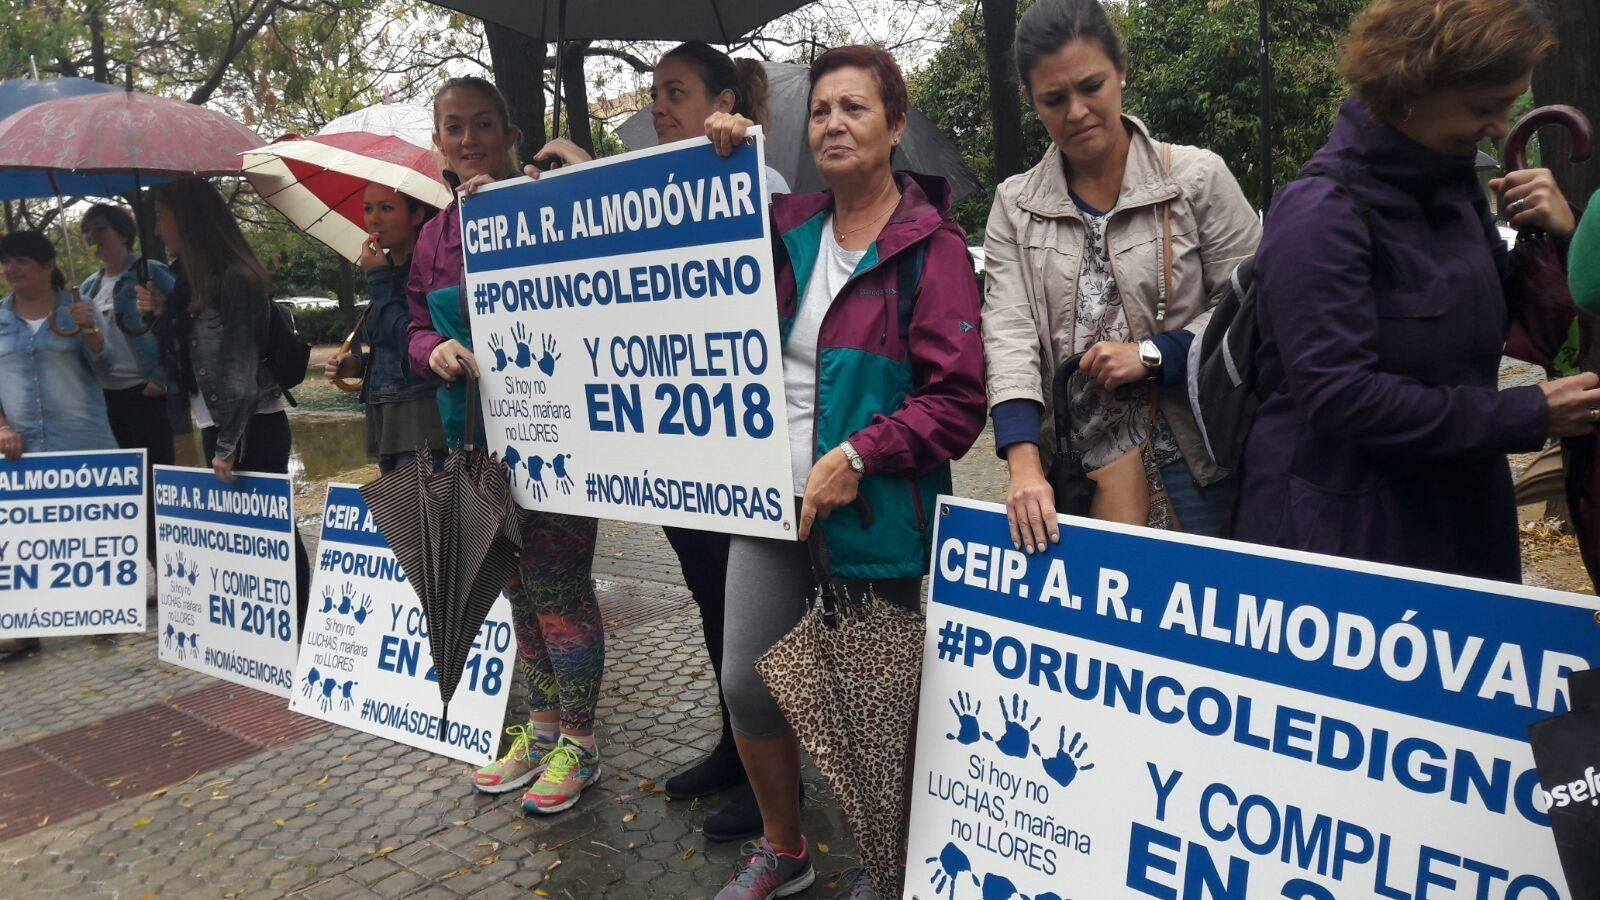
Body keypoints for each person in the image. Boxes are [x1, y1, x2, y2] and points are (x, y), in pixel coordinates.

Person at [702, 45, 987, 900]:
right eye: (821, 110)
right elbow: (678, 255)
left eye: (855, 108)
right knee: (745, 681)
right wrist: (717, 155)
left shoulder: (932, 250)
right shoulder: (783, 226)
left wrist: (860, 456)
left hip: (875, 515)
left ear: (895, 126)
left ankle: (885, 864)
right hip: (771, 505)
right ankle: (785, 849)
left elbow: (958, 400)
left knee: (877, 710)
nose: (833, 123)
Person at [1234, 0, 1598, 581]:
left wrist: (1554, 237)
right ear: (1411, 86)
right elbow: (1339, 397)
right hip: (1348, 537)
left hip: (1458, 521)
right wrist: (1525, 412)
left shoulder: (1451, 187)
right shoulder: (1320, 213)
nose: (1503, 127)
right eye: (1486, 107)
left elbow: (1506, 317)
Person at [529, 39, 788, 841]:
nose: (658, 108)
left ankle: (779, 775)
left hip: (743, 453)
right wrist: (576, 184)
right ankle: (733, 747)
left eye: (675, 92)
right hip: (677, 457)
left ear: (722, 104)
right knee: (711, 600)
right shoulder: (643, 192)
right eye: (653, 94)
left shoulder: (759, 178)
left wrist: (744, 156)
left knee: (755, 617)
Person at [982, 0, 1261, 552]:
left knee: (1191, 626)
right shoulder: (1014, 204)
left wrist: (1156, 355)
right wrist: (1023, 465)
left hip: (1192, 462)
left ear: (1121, 69)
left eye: (1092, 86)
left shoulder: (1196, 179)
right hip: (1071, 474)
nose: (1077, 111)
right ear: (1032, 102)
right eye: (1054, 99)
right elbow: (1009, 334)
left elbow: (1254, 310)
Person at [408, 76, 606, 816]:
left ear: (510, 133)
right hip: (475, 441)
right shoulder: (432, 237)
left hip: (555, 440)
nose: (468, 140)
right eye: (453, 127)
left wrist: (554, 194)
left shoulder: (541, 205)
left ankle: (580, 744)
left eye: (483, 124)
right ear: (438, 144)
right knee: (518, 592)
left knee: (561, 591)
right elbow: (412, 325)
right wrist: (434, 349)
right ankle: (542, 726)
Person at [134, 177, 312, 621]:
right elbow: (177, 365)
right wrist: (159, 316)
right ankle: (270, 635)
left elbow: (240, 370)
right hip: (217, 423)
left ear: (188, 219)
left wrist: (229, 446)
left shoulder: (237, 279)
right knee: (247, 535)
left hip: (253, 426)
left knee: (272, 533)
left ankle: (303, 628)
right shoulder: (184, 281)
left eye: (161, 216)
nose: (157, 229)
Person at [0, 230, 115, 654]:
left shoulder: (76, 309)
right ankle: (25, 625)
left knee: (89, 532)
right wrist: (1, 428)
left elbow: (106, 364)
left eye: (22, 260)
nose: (12, 269)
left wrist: (89, 329)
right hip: (22, 447)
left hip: (83, 439)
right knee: (23, 536)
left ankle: (99, 612)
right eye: (7, 261)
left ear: (47, 265)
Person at [323, 184, 443, 473]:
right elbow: (391, 352)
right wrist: (355, 365)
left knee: (420, 517)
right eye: (368, 209)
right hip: (387, 417)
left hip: (420, 420)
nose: (373, 219)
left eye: (386, 208)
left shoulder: (431, 271)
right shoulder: (387, 270)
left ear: (416, 215)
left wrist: (378, 278)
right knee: (399, 516)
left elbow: (414, 344)